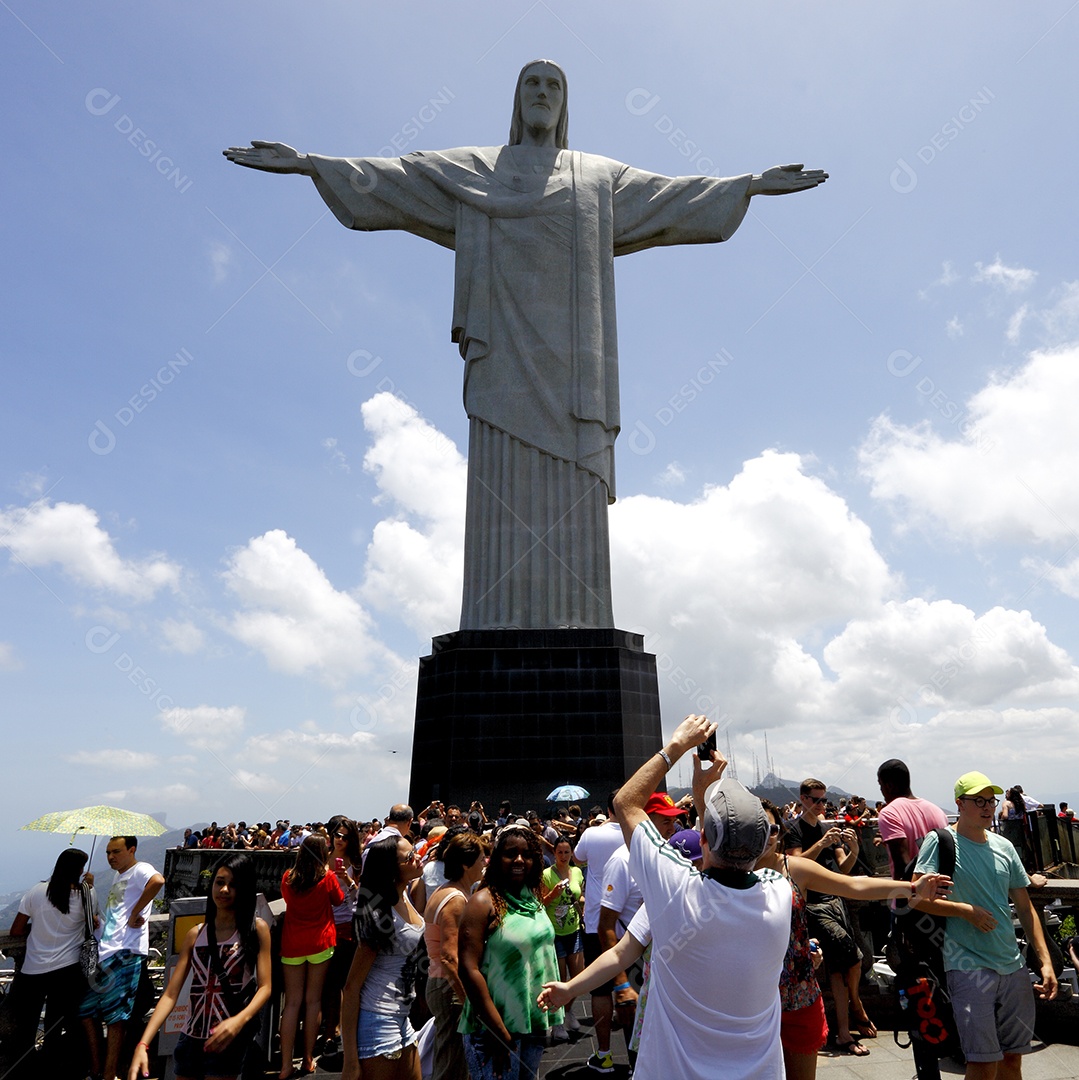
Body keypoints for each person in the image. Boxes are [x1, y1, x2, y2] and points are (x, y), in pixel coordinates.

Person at [224, 61, 826, 631]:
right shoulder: (474, 171)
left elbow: (675, 196)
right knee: (499, 484)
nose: (542, 92)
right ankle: (496, 617)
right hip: (502, 364)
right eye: (531, 83)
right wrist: (309, 164)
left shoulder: (597, 177)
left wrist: (749, 185)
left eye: (553, 85)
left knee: (574, 493)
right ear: (517, 99)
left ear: (564, 104)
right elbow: (395, 178)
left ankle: (579, 619)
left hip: (575, 374)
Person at [611, 715, 792, 1079]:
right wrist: (705, 800)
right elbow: (728, 857)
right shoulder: (778, 891)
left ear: (703, 837)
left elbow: (626, 803)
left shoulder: (675, 889)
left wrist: (675, 746)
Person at [754, 800, 951, 1078]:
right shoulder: (729, 873)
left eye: (772, 828)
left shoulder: (794, 868)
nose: (766, 835)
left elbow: (854, 885)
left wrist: (910, 887)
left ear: (780, 832)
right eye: (757, 827)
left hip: (798, 994)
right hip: (751, 999)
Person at [914, 771, 1057, 1080]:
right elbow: (915, 896)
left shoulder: (1004, 847)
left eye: (990, 800)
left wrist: (1044, 962)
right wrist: (965, 911)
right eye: (978, 800)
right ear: (959, 804)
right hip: (967, 964)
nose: (987, 807)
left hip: (1012, 965)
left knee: (1012, 1060)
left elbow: (1026, 908)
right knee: (981, 1064)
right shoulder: (940, 842)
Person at [128, 854, 272, 1080]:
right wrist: (143, 1043)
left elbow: (265, 987)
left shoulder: (255, 930)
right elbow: (170, 994)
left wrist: (239, 1021)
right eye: (219, 882)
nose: (224, 890)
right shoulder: (196, 934)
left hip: (226, 1039)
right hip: (190, 1038)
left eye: (233, 885)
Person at [457, 824, 563, 1079]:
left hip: (532, 1023)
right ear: (495, 859)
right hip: (494, 1030)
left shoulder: (533, 898)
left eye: (526, 854)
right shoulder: (483, 902)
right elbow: (467, 968)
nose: (519, 860)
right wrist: (498, 1032)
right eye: (510, 853)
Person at [783, 777, 873, 1054]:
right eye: (817, 799)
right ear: (804, 800)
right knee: (853, 956)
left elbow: (842, 871)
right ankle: (856, 1006)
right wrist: (822, 843)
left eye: (825, 799)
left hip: (834, 903)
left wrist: (854, 848)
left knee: (839, 967)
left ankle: (844, 1032)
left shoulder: (827, 828)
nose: (822, 804)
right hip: (813, 908)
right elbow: (796, 866)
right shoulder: (793, 829)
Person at [340, 833, 426, 1080]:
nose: (417, 857)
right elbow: (352, 987)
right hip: (377, 1018)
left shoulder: (404, 895)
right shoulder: (380, 917)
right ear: (392, 869)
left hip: (401, 1016)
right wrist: (350, 1061)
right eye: (410, 857)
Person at [78, 836, 165, 1080]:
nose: (111, 857)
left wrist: (137, 912)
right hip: (108, 950)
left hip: (126, 952)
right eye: (107, 852)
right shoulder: (119, 876)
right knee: (86, 1011)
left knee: (117, 1017)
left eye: (116, 851)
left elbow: (158, 881)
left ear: (132, 850)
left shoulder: (140, 869)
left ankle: (108, 1074)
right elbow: (117, 913)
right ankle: (98, 1069)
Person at [8, 848, 96, 1078]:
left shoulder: (36, 892)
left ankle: (23, 1071)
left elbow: (16, 930)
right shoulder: (86, 895)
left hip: (33, 969)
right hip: (68, 971)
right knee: (56, 1025)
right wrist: (91, 886)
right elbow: (94, 924)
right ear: (78, 870)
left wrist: (39, 927)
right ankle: (53, 1070)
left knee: (26, 1026)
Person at [279, 834, 346, 1078]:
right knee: (313, 1001)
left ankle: (285, 1065)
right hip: (321, 943)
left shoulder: (288, 877)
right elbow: (339, 901)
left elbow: (287, 900)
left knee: (292, 1003)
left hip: (292, 944)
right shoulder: (326, 878)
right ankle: (307, 1059)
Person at [569, 791, 625, 1073]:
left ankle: (604, 1055)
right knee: (634, 990)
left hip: (596, 924)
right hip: (632, 927)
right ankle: (639, 1055)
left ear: (607, 809)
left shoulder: (593, 834)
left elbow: (577, 860)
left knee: (601, 990)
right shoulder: (639, 832)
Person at [423, 833, 487, 1080]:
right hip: (449, 989)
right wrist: (468, 1000)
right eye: (481, 858)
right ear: (466, 864)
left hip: (441, 985)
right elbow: (450, 958)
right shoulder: (456, 900)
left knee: (449, 1056)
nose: (485, 862)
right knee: (453, 1064)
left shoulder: (446, 891)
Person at [320, 815, 363, 1065]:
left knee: (344, 982)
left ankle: (342, 1032)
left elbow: (362, 897)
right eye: (336, 835)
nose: (340, 840)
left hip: (347, 925)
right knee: (329, 983)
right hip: (325, 925)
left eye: (345, 836)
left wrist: (348, 881)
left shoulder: (356, 863)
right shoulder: (322, 859)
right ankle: (330, 1031)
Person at [539, 837, 585, 1042]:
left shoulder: (576, 871)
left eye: (567, 852)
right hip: (555, 932)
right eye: (560, 852)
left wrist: (582, 902)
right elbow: (540, 902)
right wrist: (553, 894)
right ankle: (556, 1021)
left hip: (573, 929)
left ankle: (567, 1011)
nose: (564, 856)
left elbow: (579, 893)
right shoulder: (546, 875)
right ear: (554, 853)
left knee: (578, 976)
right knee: (560, 977)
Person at [876, 759, 949, 878]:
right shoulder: (938, 811)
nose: (881, 790)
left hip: (912, 892)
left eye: (881, 785)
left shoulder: (889, 813)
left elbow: (902, 866)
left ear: (889, 786)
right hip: (941, 891)